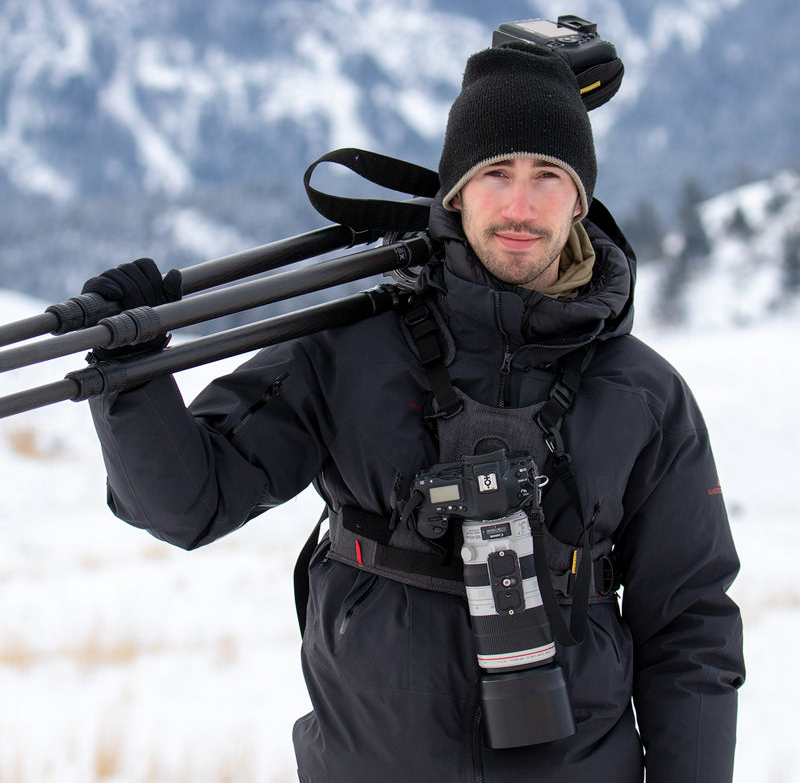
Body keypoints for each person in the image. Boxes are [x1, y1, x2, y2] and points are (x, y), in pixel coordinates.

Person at [84, 43, 745, 782]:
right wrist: (131, 378)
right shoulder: (348, 351)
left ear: (581, 199)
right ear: (457, 190)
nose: (520, 207)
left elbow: (690, 627)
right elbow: (187, 505)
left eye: (548, 177)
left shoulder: (644, 396)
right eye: (496, 172)